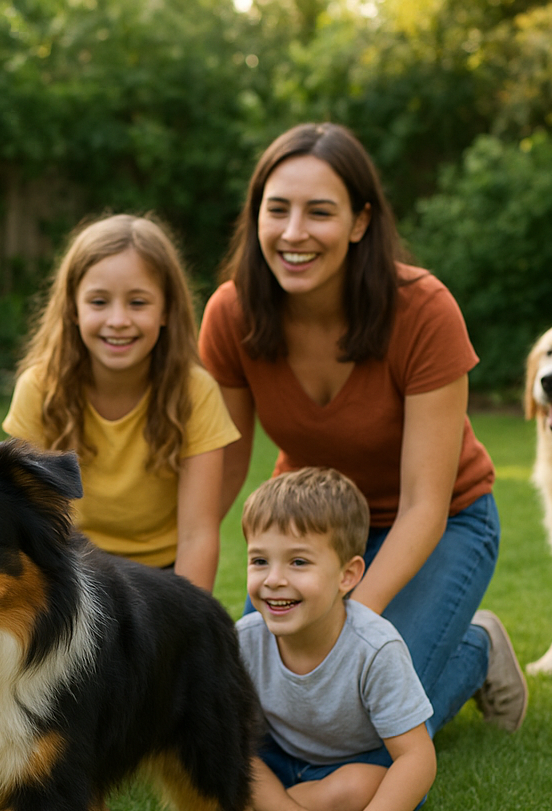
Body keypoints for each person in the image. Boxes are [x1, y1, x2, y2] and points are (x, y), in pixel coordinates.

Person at [199, 121, 527, 741]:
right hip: (309, 526)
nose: (294, 234)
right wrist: (162, 580)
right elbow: (222, 473)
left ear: (359, 222)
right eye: (278, 210)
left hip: (443, 521)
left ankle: (477, 647)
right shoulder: (232, 313)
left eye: (319, 212)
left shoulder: (423, 310)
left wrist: (350, 626)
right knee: (258, 721)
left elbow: (426, 504)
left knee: (371, 715)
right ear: (256, 217)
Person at [3, 214, 238, 590]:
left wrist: (189, 623)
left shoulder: (196, 392)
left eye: (138, 302)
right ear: (73, 309)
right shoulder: (40, 388)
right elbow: (21, 523)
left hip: (163, 578)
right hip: (74, 573)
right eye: (99, 301)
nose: (118, 320)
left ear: (166, 311)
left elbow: (199, 535)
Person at [241, 468, 436, 811]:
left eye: (298, 562)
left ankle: (269, 804)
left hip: (351, 764)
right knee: (230, 760)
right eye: (260, 560)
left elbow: (417, 759)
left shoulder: (375, 648)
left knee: (361, 788)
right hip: (278, 755)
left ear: (347, 576)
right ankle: (287, 809)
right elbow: (231, 745)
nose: (274, 580)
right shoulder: (243, 640)